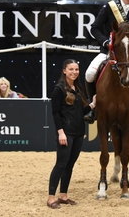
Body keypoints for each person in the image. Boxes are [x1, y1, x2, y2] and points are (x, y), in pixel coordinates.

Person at [47, 59, 96, 209]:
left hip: (78, 133)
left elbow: (79, 112)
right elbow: (55, 113)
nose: (74, 72)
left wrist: (93, 105)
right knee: (61, 164)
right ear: (64, 71)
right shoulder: (59, 89)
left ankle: (63, 195)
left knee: (69, 165)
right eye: (71, 69)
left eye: (76, 69)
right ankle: (50, 198)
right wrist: (60, 132)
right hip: (66, 132)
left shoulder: (78, 88)